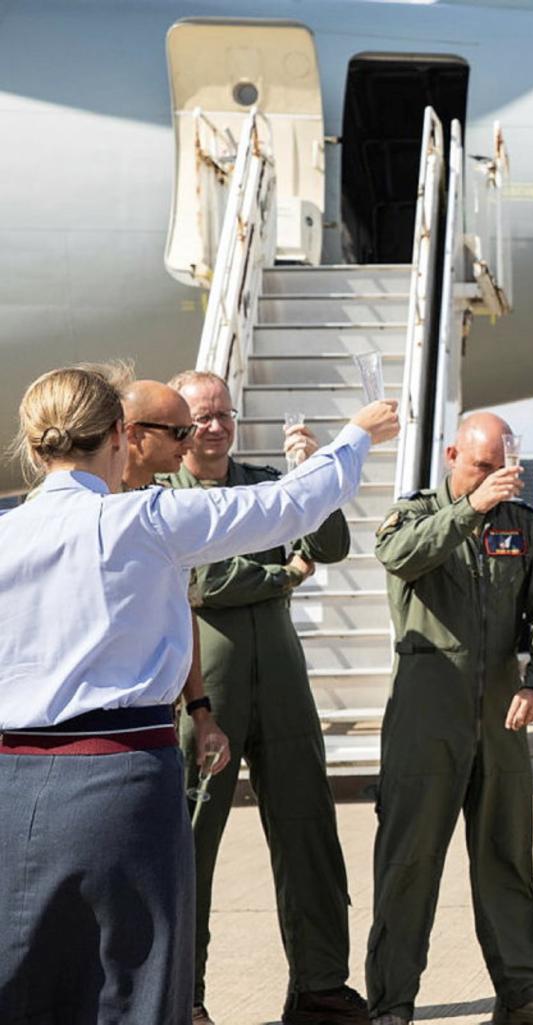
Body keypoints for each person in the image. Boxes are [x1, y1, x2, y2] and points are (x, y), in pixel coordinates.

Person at [0, 361, 393, 1025]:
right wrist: (354, 435)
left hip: (11, 779)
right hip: (117, 776)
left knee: (26, 984)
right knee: (139, 986)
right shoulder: (142, 519)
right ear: (120, 439)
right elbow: (287, 506)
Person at [164, 370, 367, 1025]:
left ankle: (319, 984)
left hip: (281, 680)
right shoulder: (163, 492)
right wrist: (281, 574)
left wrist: (310, 480)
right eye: (203, 416)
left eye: (225, 413)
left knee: (309, 828)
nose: (216, 426)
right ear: (180, 425)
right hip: (204, 688)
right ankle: (183, 994)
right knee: (192, 841)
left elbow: (330, 547)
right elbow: (201, 581)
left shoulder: (263, 484)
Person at [367, 413, 533, 1025]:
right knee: (409, 859)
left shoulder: (520, 524)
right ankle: (392, 1002)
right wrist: (467, 510)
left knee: (506, 858)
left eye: (500, 468)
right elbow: (399, 556)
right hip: (426, 709)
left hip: (499, 712)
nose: (493, 480)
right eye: (480, 466)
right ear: (451, 455)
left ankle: (523, 994)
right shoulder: (412, 513)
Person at [121, 379, 230, 780]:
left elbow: (179, 611)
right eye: (180, 432)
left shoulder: (161, 507)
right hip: (101, 729)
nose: (191, 441)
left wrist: (200, 711)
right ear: (133, 434)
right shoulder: (88, 510)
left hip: (155, 723)